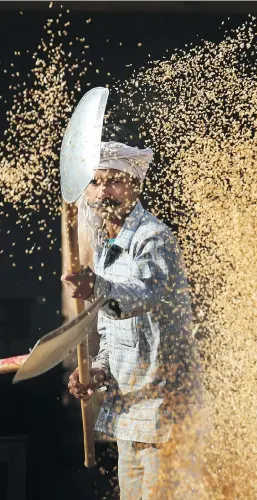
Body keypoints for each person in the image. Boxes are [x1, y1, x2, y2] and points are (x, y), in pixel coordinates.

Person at [61, 141, 201, 500]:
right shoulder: (106, 245)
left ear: (134, 185)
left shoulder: (153, 238)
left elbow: (144, 294)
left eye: (114, 181)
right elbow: (113, 332)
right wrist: (97, 370)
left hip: (165, 412)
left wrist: (97, 285)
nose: (104, 191)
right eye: (95, 182)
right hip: (130, 413)